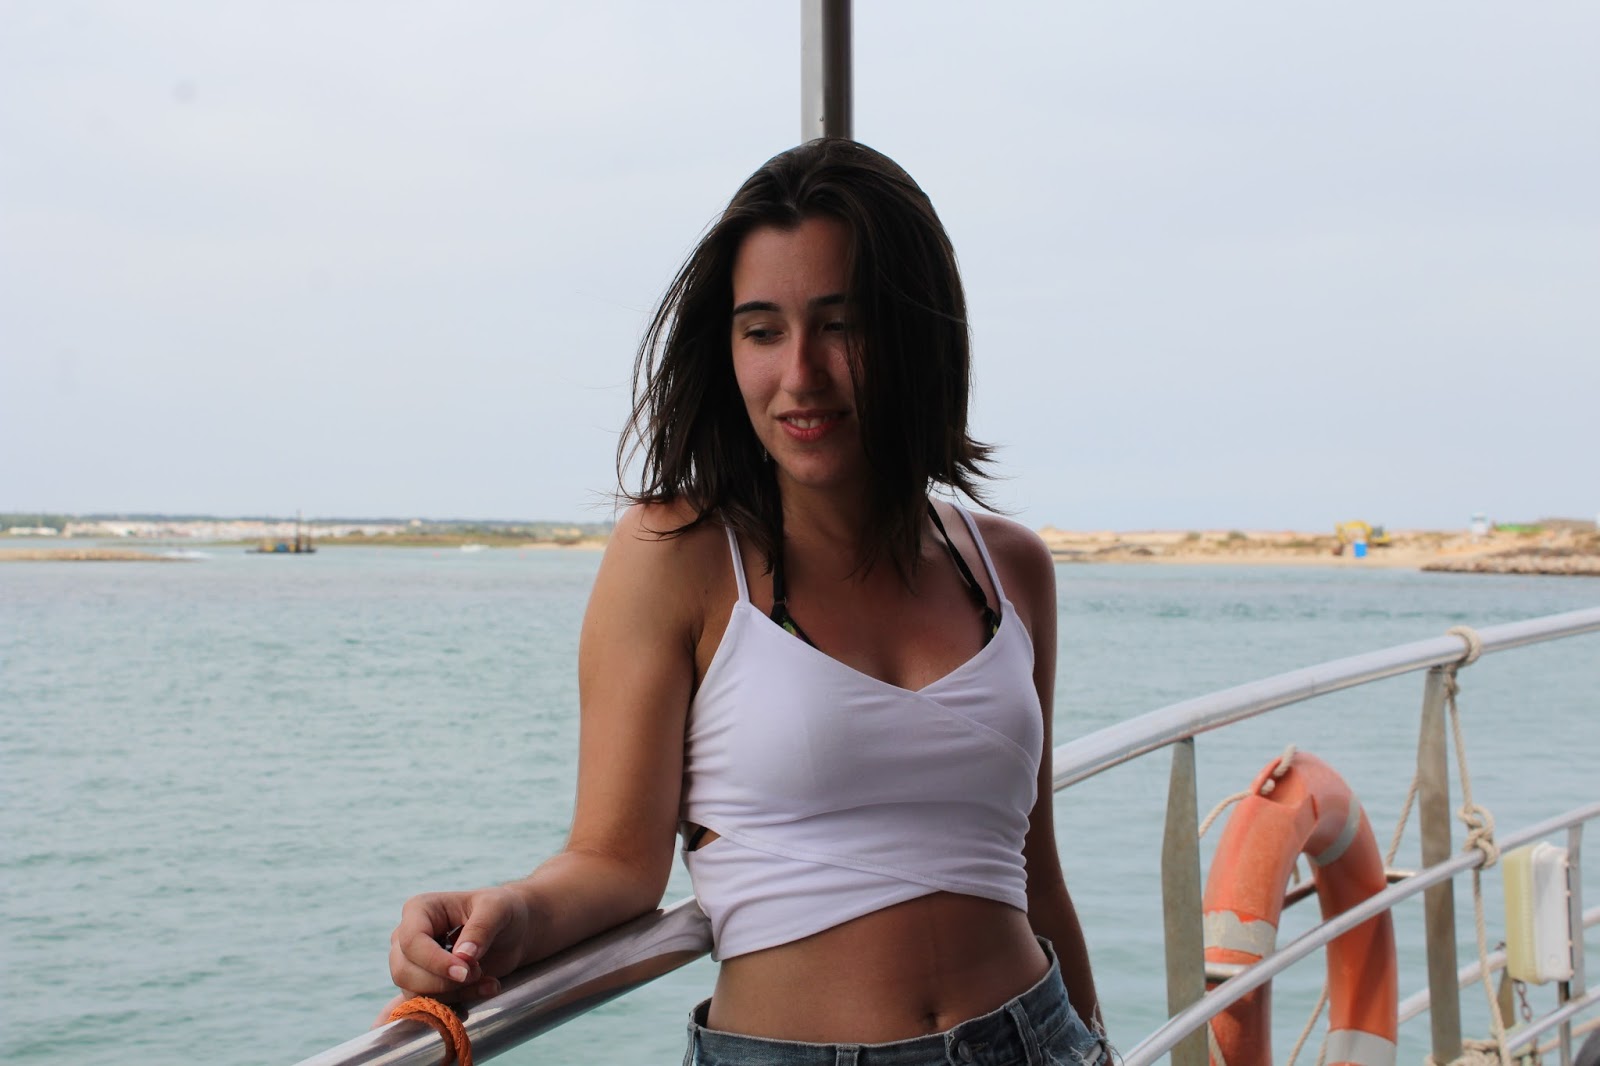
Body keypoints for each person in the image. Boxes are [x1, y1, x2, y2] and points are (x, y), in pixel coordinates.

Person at [387, 138, 1104, 1065]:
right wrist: (510, 914)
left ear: (916, 334)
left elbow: (1035, 876)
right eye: (763, 331)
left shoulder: (1009, 569)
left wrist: (1100, 1043)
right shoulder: (677, 556)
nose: (801, 374)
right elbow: (615, 860)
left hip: (1037, 1041)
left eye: (841, 325)